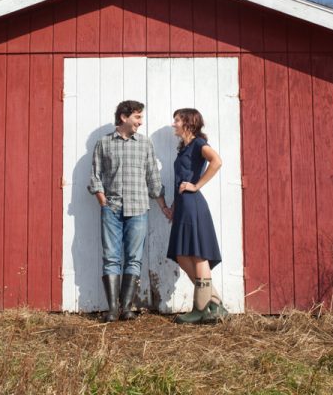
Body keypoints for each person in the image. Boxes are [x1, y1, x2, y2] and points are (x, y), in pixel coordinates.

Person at [88, 100, 171, 322]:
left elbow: (153, 177)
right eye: (137, 117)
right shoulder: (103, 143)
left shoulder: (145, 144)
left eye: (141, 117)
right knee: (111, 257)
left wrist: (163, 205)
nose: (140, 122)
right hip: (111, 209)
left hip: (138, 209)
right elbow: (95, 175)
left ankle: (126, 308)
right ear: (124, 117)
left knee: (134, 258)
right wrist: (102, 200)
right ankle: (112, 310)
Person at [164, 108, 229, 324]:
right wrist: (173, 205)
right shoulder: (184, 148)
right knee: (182, 256)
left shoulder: (199, 144)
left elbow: (217, 161)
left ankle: (200, 308)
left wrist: (196, 185)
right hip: (183, 206)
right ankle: (215, 303)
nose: (174, 124)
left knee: (197, 254)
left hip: (193, 205)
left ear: (188, 123)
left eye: (177, 120)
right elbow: (180, 178)